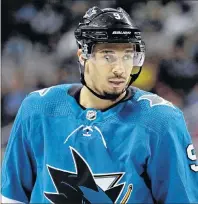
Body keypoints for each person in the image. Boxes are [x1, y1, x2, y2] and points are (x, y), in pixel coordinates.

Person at [1, 6, 198, 204]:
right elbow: (12, 196)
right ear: (83, 56)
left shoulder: (161, 120)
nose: (119, 69)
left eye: (127, 55)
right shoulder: (38, 108)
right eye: (108, 56)